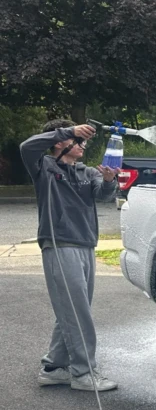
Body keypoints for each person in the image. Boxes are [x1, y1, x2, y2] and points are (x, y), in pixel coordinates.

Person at [20, 120, 119, 391]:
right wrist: (69, 131)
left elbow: (104, 196)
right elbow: (27, 146)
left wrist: (110, 181)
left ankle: (54, 367)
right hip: (59, 244)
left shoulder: (88, 172)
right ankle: (83, 374)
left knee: (73, 309)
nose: (83, 145)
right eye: (79, 140)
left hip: (86, 244)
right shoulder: (44, 167)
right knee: (77, 312)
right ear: (60, 143)